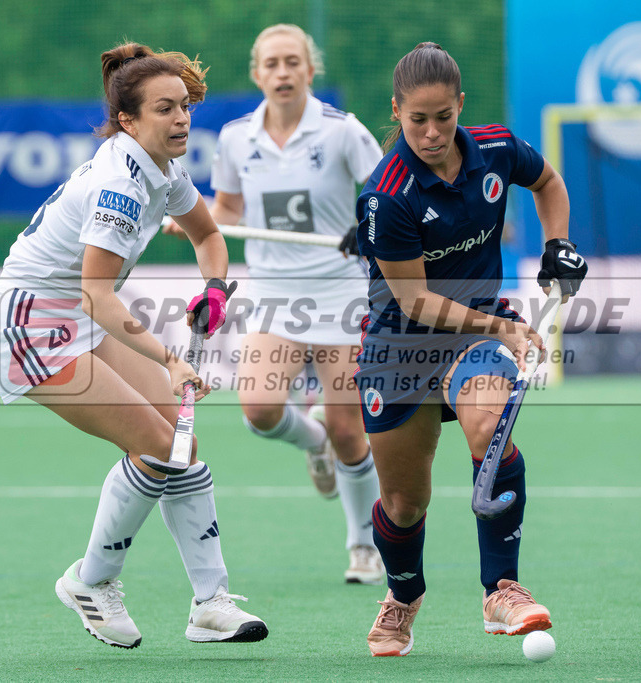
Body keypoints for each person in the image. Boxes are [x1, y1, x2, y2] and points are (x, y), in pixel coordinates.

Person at [0, 42, 269, 649]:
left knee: (181, 449)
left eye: (185, 106)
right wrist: (169, 357)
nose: (182, 118)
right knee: (161, 444)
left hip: (75, 316)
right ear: (129, 121)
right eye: (165, 109)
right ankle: (93, 580)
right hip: (31, 327)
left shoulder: (163, 167)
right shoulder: (119, 186)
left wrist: (215, 290)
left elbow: (209, 234)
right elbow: (98, 297)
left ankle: (210, 605)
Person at [353, 43, 588, 656]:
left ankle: (501, 588)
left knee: (490, 430)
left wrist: (556, 244)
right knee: (404, 503)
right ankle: (403, 596)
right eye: (416, 120)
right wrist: (504, 329)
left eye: (443, 118)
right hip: (400, 347)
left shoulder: (497, 148)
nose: (431, 133)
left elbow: (548, 182)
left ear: (460, 105)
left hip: (473, 335)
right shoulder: (388, 194)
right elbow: (414, 302)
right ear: (396, 111)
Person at [164, 24, 386, 584]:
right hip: (271, 293)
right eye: (272, 63)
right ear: (256, 73)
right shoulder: (237, 139)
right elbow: (231, 211)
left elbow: (387, 196)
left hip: (340, 292)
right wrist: (196, 222)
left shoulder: (344, 132)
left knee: (350, 430)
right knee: (260, 411)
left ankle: (363, 544)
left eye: (293, 62)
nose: (283, 72)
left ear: (311, 69)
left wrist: (370, 225)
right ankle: (313, 443)